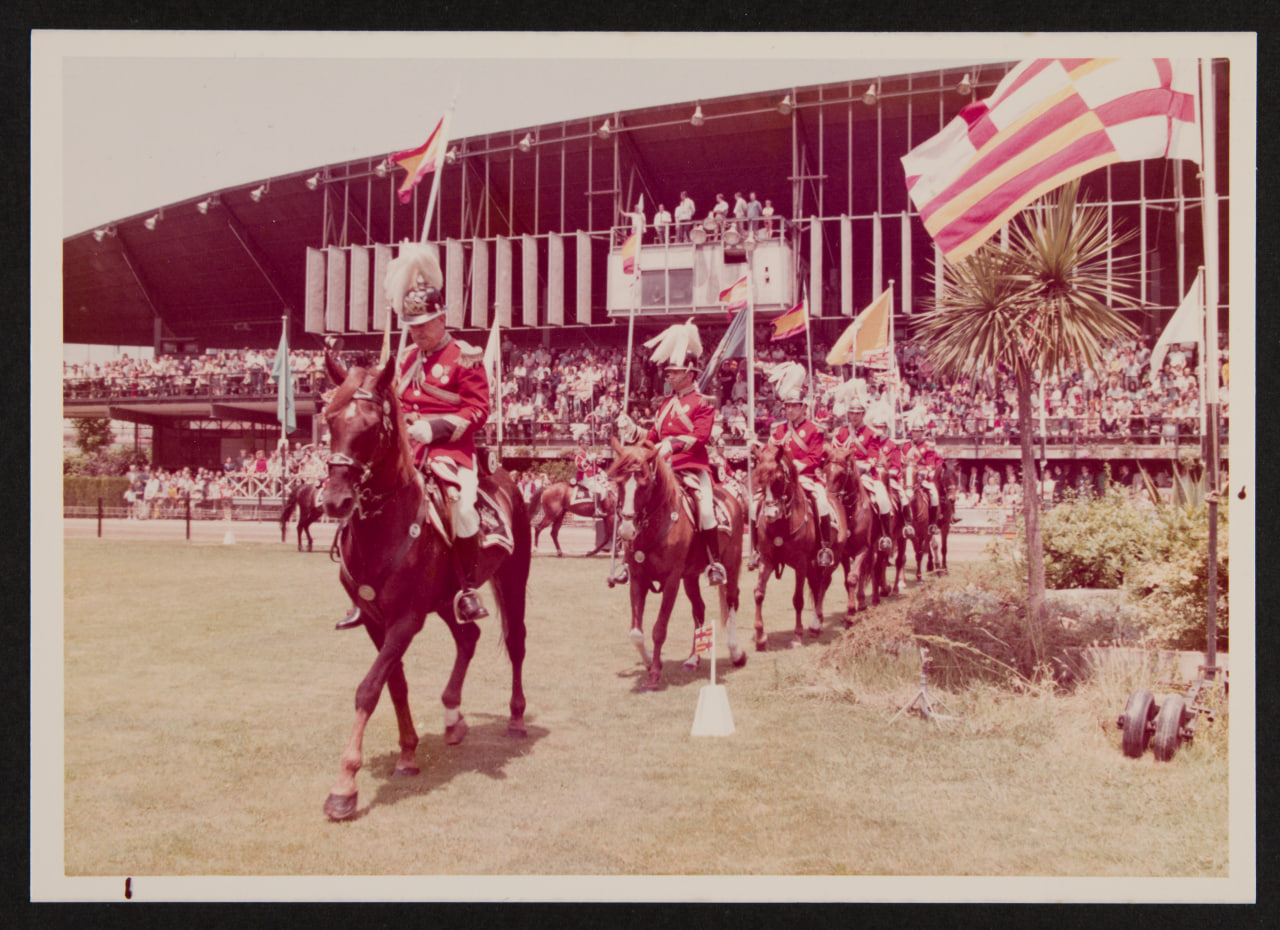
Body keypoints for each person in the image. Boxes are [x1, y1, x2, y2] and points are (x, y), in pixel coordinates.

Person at [340, 242, 491, 629]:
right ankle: (362, 591)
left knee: (461, 508)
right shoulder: (404, 359)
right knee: (362, 497)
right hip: (407, 452)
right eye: (412, 325)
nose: (418, 332)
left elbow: (478, 410)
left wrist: (435, 428)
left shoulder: (464, 356)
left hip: (450, 453)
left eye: (424, 324)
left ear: (442, 318)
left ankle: (466, 589)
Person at [643, 320, 727, 586]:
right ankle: (632, 559)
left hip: (691, 467)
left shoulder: (702, 404)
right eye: (668, 372)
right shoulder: (665, 404)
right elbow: (652, 437)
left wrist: (672, 445)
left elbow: (700, 437)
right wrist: (632, 435)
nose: (668, 376)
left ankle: (714, 563)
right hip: (663, 469)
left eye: (674, 372)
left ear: (689, 374)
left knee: (706, 511)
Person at [768, 378, 835, 567]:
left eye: (794, 406)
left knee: (822, 503)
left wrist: (799, 465)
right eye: (787, 406)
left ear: (803, 408)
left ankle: (824, 547)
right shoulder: (778, 430)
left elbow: (815, 457)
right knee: (759, 501)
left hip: (806, 476)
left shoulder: (814, 429)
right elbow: (770, 453)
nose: (790, 410)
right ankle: (759, 548)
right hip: (781, 479)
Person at [830, 398, 893, 551]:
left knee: (883, 499)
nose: (854, 416)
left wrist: (863, 467)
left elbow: (873, 455)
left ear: (863, 414)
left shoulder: (871, 433)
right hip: (844, 474)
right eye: (852, 413)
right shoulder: (841, 432)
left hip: (865, 473)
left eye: (857, 413)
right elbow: (835, 452)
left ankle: (885, 535)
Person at [901, 425, 945, 531]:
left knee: (934, 494)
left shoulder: (928, 447)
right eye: (914, 431)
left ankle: (932, 524)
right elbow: (901, 463)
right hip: (907, 476)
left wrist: (921, 473)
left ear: (922, 433)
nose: (915, 433)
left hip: (922, 477)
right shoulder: (905, 446)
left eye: (918, 431)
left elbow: (930, 465)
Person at [573, 436, 605, 516]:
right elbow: (580, 466)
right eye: (586, 444)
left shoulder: (587, 454)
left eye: (588, 444)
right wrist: (589, 459)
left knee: (604, 486)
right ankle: (596, 509)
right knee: (597, 488)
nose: (588, 445)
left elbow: (593, 466)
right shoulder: (578, 454)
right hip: (584, 476)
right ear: (581, 444)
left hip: (591, 476)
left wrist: (601, 471)